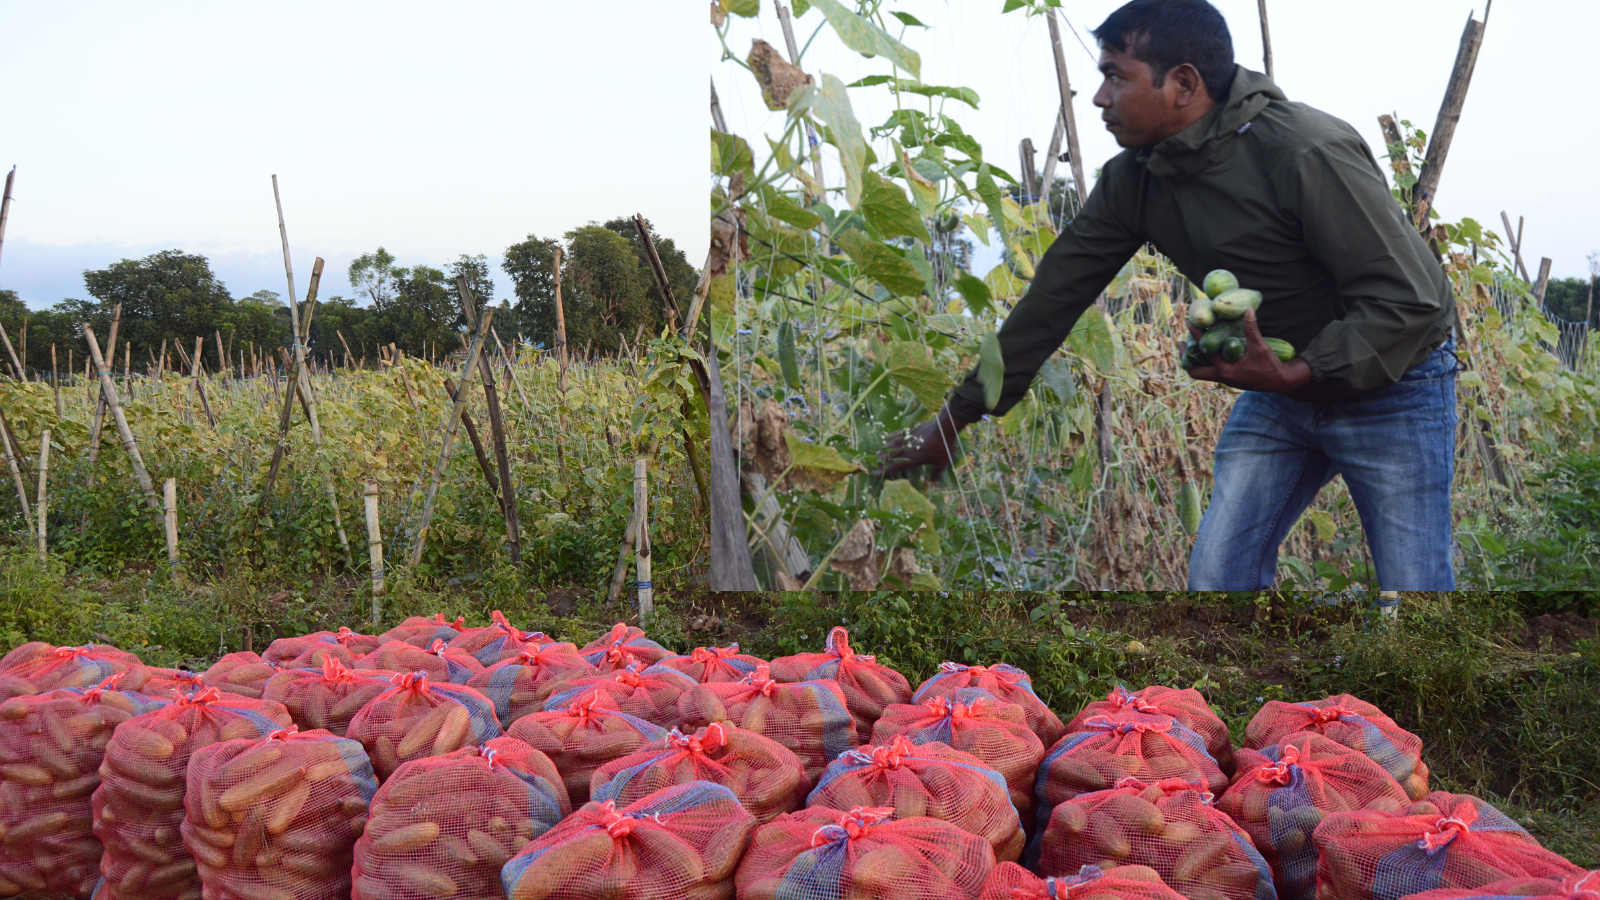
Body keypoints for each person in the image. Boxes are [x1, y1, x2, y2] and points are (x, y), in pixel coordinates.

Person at [878, 0, 1459, 590]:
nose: (1100, 97)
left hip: (1395, 384)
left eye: (1115, 76)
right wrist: (957, 417)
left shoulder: (1305, 150)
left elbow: (1410, 301)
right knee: (1218, 575)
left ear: (1183, 83)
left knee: (1411, 595)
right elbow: (1056, 294)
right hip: (1279, 389)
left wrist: (1301, 373)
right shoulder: (1138, 178)